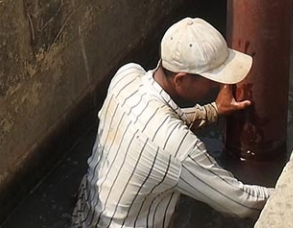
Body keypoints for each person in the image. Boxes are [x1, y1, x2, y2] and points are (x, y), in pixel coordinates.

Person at [71, 17, 272, 227]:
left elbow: (157, 123)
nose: (217, 85)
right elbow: (240, 203)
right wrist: (290, 190)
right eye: (211, 79)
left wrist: (212, 111)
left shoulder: (126, 76)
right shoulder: (178, 148)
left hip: (85, 217)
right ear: (180, 79)